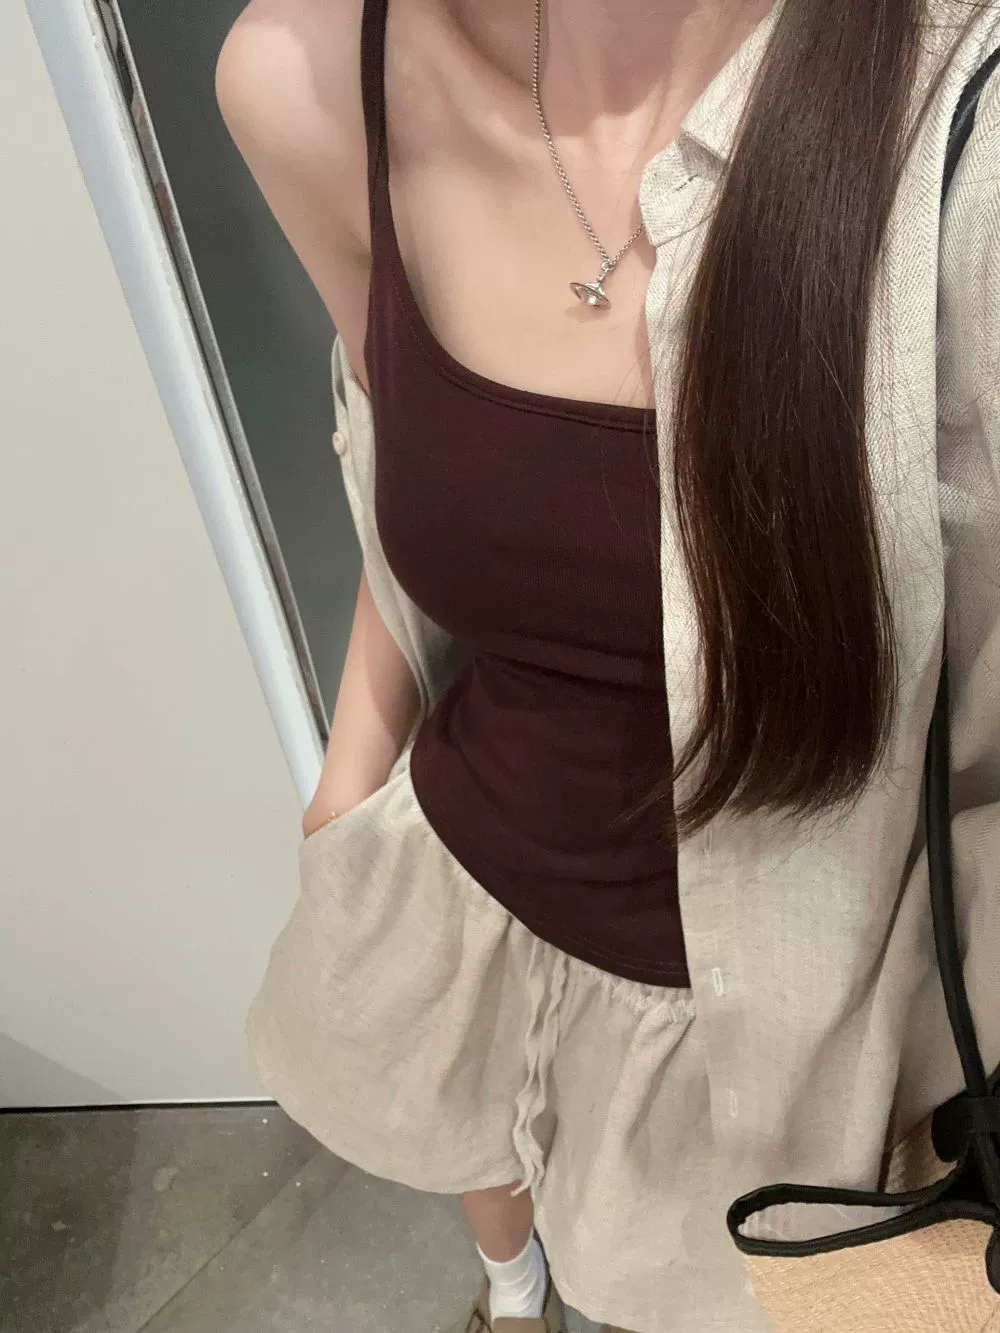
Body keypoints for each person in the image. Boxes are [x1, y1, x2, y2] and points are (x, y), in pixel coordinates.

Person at [214, 0, 1000, 1327]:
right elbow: (412, 472)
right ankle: (512, 1293)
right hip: (469, 894)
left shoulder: (959, 138)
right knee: (486, 1152)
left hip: (799, 1037)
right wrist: (346, 785)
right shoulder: (315, 79)